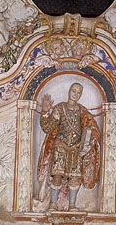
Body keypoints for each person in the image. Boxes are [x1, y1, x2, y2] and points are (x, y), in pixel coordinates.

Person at [36, 82, 101, 211]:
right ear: (69, 91)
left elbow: (93, 128)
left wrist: (88, 141)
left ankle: (72, 205)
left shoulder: (82, 111)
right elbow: (48, 127)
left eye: (79, 92)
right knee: (57, 175)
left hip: (76, 148)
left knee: (75, 178)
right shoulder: (59, 109)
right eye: (73, 91)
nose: (75, 94)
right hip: (60, 146)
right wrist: (45, 111)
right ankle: (53, 204)